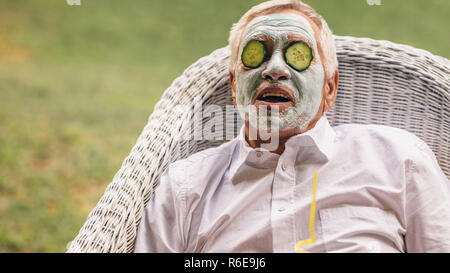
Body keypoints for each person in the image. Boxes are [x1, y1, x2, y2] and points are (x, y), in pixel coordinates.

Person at [134, 0, 450, 253]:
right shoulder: (186, 187)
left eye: (297, 54)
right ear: (234, 85)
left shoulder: (399, 159)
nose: (274, 69)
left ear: (330, 88)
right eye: (256, 54)